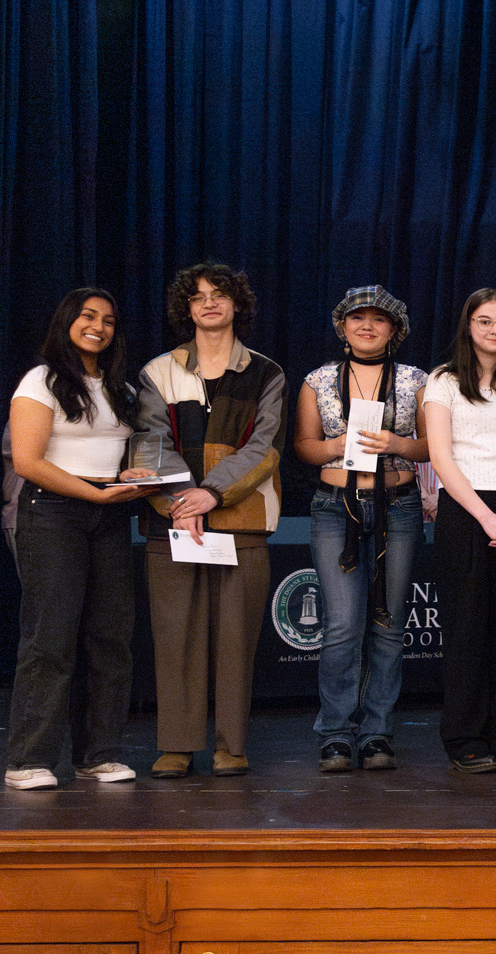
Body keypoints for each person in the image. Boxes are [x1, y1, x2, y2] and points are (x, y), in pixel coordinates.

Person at [135, 263, 287, 780]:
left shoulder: (268, 372)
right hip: (172, 521)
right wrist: (183, 501)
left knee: (235, 642)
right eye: (197, 296)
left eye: (219, 294)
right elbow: (151, 443)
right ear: (187, 309)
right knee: (174, 637)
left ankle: (232, 746)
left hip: (242, 521)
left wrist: (210, 493)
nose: (208, 303)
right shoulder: (157, 373)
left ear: (236, 304)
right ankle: (177, 745)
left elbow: (263, 448)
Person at [5, 289, 159, 789]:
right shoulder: (42, 381)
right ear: (67, 321)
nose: (99, 327)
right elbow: (29, 463)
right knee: (50, 639)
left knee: (110, 639)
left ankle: (101, 754)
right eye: (89, 317)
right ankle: (29, 760)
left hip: (109, 513)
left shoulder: (121, 388)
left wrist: (127, 475)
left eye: (109, 320)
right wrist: (94, 495)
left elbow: (120, 452)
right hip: (52, 513)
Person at [293, 285, 430, 773]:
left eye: (378, 319)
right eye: (357, 318)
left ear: (394, 330)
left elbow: (434, 447)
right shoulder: (319, 379)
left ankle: (377, 733)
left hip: (398, 505)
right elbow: (303, 448)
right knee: (343, 624)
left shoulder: (417, 380)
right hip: (335, 506)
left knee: (390, 624)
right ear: (342, 326)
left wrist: (395, 440)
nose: (366, 325)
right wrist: (337, 445)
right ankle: (335, 733)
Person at [422, 288, 496, 775]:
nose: (495, 329)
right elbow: (440, 457)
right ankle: (464, 737)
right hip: (465, 510)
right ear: (468, 327)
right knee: (467, 626)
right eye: (485, 321)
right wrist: (485, 516)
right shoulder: (444, 382)